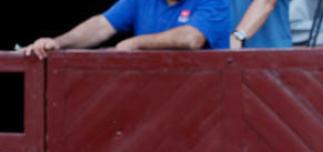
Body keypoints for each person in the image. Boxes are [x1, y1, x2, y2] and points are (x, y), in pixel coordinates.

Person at [20, 0, 231, 58]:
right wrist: (57, 42)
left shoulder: (214, 1)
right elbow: (101, 26)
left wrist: (135, 43)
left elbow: (192, 38)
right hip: (151, 98)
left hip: (204, 104)